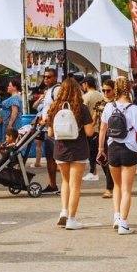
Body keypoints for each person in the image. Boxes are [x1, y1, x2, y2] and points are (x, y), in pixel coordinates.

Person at [98, 76, 137, 235]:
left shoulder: (108, 107)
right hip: (129, 149)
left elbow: (102, 130)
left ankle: (117, 217)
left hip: (112, 148)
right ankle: (124, 224)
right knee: (127, 189)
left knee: (117, 186)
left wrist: (101, 148)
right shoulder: (134, 109)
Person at [46, 77, 94, 230]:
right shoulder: (81, 107)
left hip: (60, 149)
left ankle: (64, 212)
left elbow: (50, 133)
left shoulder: (54, 107)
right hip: (78, 149)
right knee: (75, 186)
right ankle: (72, 219)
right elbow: (89, 132)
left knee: (65, 182)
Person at [36, 68, 61, 194]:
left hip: (54, 129)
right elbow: (46, 108)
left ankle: (66, 185)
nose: (46, 79)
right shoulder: (48, 91)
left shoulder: (57, 90)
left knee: (58, 158)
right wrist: (41, 118)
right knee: (50, 158)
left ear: (55, 77)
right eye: (45, 77)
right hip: (47, 129)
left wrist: (47, 120)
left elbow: (58, 107)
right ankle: (52, 184)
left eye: (49, 77)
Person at [81, 74, 104, 183]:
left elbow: (82, 111)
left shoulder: (85, 97)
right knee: (97, 150)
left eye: (83, 84)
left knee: (91, 152)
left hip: (90, 127)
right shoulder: (101, 95)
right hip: (100, 127)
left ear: (86, 84)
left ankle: (93, 172)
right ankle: (94, 171)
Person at [98, 78, 116, 198]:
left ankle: (109, 187)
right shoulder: (101, 103)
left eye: (108, 91)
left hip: (114, 135)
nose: (105, 93)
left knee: (110, 161)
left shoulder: (117, 103)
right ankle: (112, 184)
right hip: (100, 134)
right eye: (103, 90)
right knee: (103, 161)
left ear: (114, 90)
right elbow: (95, 120)